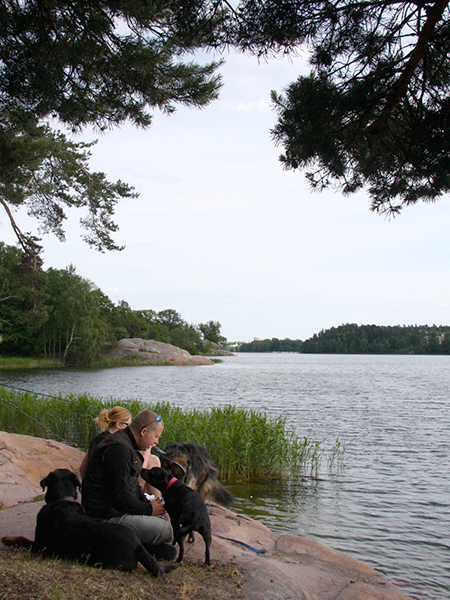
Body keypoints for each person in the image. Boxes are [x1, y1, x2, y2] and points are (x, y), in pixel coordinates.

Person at [81, 410, 175, 559]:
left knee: (162, 518)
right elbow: (120, 496)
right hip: (104, 519)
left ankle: (141, 546)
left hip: (114, 511)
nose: (156, 442)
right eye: (156, 437)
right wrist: (148, 509)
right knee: (165, 529)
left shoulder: (126, 444)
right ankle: (137, 548)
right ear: (144, 432)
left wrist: (147, 503)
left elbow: (132, 486)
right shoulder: (119, 449)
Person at [79, 406, 132, 478]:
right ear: (118, 424)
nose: (129, 429)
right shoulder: (115, 444)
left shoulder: (97, 439)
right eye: (127, 425)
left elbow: (82, 468)